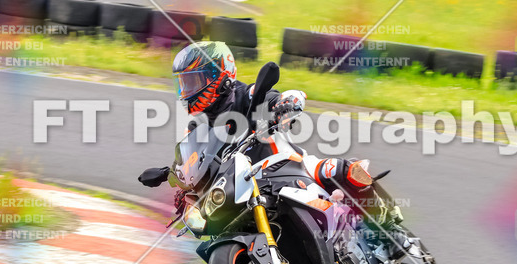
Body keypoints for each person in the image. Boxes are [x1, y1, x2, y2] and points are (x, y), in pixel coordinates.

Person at [137, 41, 373, 207]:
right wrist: (172, 176)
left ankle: (388, 227)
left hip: (286, 167)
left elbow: (272, 97)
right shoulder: (197, 129)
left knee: (337, 169)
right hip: (243, 190)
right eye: (184, 84)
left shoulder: (247, 95)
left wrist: (286, 103)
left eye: (194, 81)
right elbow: (192, 163)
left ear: (219, 75)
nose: (187, 91)